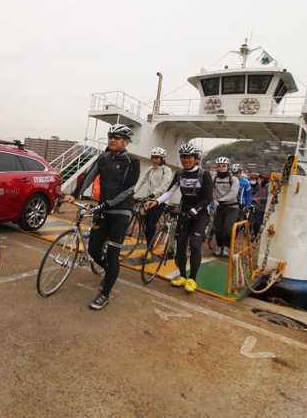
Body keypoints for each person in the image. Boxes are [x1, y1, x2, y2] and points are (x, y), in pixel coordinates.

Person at [63, 124, 140, 310]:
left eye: (117, 137)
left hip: (121, 212)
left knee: (113, 253)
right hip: (103, 211)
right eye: (110, 136)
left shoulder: (132, 161)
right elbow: (89, 178)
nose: (112, 139)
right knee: (95, 250)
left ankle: (104, 294)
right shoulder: (103, 157)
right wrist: (74, 193)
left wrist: (105, 205)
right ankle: (110, 271)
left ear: (126, 141)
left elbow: (128, 189)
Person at [145, 142, 213, 293]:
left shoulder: (204, 174)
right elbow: (169, 192)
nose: (186, 160)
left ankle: (192, 279)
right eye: (183, 157)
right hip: (185, 213)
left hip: (200, 214)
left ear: (196, 158)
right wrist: (156, 202)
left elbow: (208, 198)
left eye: (189, 157)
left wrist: (194, 212)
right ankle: (182, 276)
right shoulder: (180, 174)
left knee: (195, 244)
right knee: (180, 246)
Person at [134, 147, 172, 246]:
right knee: (147, 223)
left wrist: (153, 194)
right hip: (149, 200)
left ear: (162, 158)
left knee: (150, 225)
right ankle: (149, 240)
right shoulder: (150, 169)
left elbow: (163, 186)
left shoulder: (167, 170)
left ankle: (149, 249)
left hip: (160, 201)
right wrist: (133, 192)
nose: (154, 160)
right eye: (153, 157)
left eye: (157, 158)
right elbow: (141, 181)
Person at [211, 157, 240, 257]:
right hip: (219, 207)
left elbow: (233, 194)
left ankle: (226, 249)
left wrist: (219, 201)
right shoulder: (214, 178)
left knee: (228, 228)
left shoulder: (234, 179)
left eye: (223, 166)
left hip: (232, 207)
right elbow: (210, 190)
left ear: (228, 167)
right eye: (218, 166)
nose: (221, 168)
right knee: (218, 229)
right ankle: (219, 249)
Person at [252, 174, 271, 239]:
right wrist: (252, 199)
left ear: (263, 179)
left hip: (265, 208)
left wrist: (259, 199)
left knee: (263, 223)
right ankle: (255, 235)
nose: (259, 180)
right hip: (258, 207)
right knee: (256, 222)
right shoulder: (261, 186)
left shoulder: (269, 187)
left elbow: (269, 197)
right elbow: (257, 194)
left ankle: (261, 237)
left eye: (260, 179)